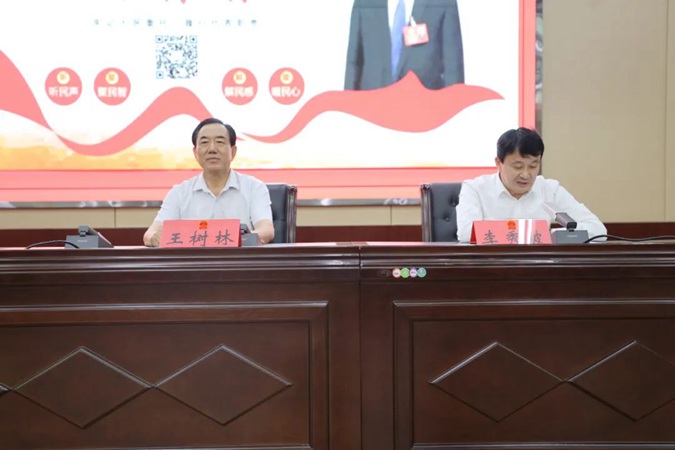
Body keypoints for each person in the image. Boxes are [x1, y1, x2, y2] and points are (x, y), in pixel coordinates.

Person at [456, 127, 607, 243]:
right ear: (499, 163)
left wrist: (552, 235)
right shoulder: (475, 189)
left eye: (533, 166)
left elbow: (598, 230)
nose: (526, 175)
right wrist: (534, 233)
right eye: (518, 166)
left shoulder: (550, 189)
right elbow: (466, 232)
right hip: (492, 269)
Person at [143, 118, 274, 247]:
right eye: (204, 142)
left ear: (233, 152)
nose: (212, 149)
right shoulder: (179, 193)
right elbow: (150, 234)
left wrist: (231, 238)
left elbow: (266, 230)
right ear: (195, 153)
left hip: (238, 260)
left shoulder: (254, 188)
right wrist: (155, 239)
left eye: (219, 142)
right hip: (194, 261)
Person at [344, 0, 464, 91]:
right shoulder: (364, 3)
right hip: (372, 106)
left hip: (424, 107)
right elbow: (353, 62)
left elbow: (453, 66)